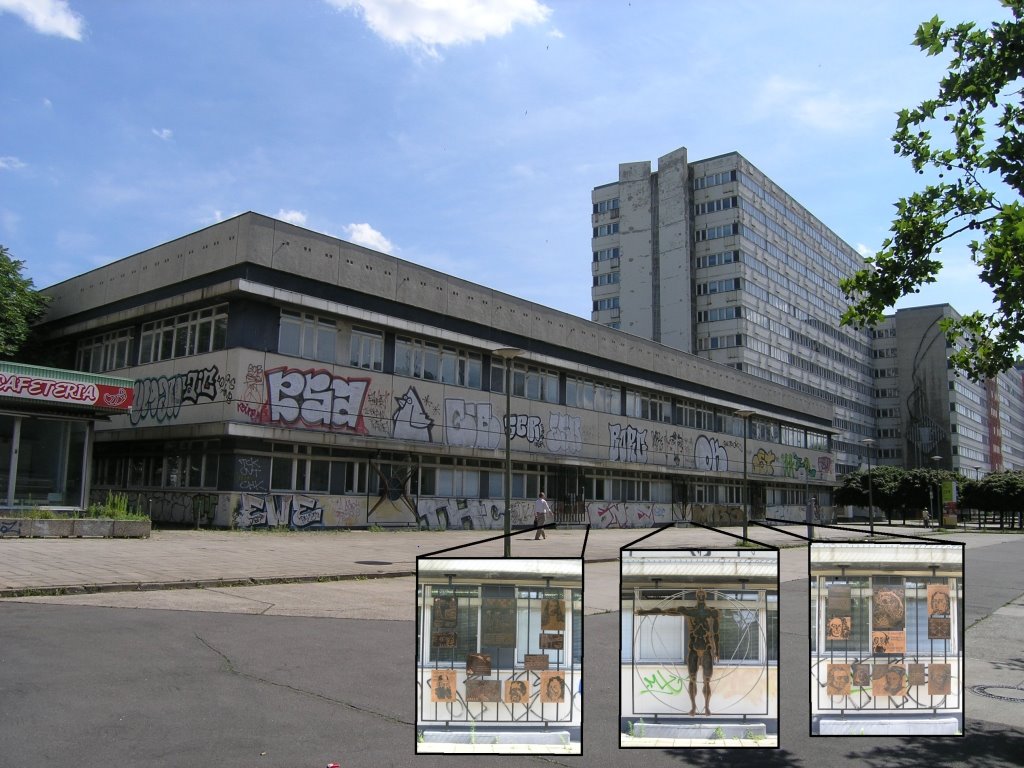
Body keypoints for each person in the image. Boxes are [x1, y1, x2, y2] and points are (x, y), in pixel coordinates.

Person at [637, 588, 720, 716]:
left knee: (707, 680)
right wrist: (645, 612)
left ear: (706, 596)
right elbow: (666, 611)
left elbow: (715, 633)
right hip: (693, 648)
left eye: (703, 595)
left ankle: (707, 707)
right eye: (699, 594)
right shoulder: (689, 612)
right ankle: (693, 707)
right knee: (692, 679)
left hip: (707, 648)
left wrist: (717, 650)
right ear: (697, 597)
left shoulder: (712, 613)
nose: (701, 597)